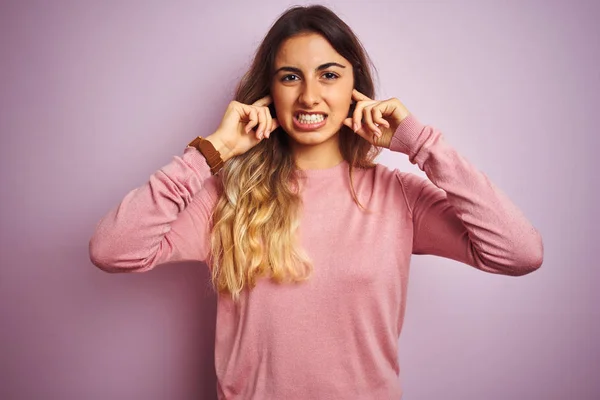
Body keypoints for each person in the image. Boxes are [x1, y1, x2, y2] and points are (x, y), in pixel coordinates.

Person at [89, 4, 543, 399]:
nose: (309, 95)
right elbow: (113, 250)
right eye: (291, 77)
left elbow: (519, 253)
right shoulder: (228, 197)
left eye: (329, 75)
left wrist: (421, 143)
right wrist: (213, 152)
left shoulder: (398, 196)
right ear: (268, 94)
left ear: (355, 88)